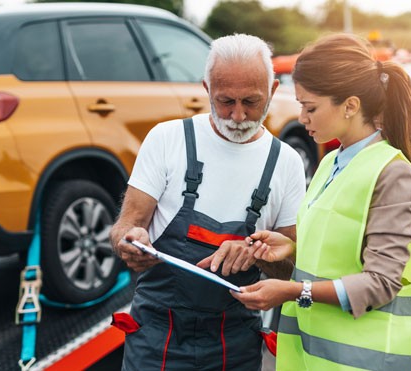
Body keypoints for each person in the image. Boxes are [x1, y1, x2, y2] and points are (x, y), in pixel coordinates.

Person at [232, 33, 411, 371]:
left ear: (350, 105)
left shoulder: (392, 176)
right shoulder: (331, 163)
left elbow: (381, 283)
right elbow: (340, 255)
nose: (302, 117)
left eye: (309, 107)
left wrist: (291, 291)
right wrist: (290, 248)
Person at [109, 33, 306, 371]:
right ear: (206, 88)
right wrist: (130, 241)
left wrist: (255, 253)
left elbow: (291, 267)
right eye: (226, 101)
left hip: (235, 342)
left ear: (273, 90)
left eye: (251, 101)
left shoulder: (286, 163)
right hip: (157, 336)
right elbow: (126, 227)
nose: (238, 116)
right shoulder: (167, 140)